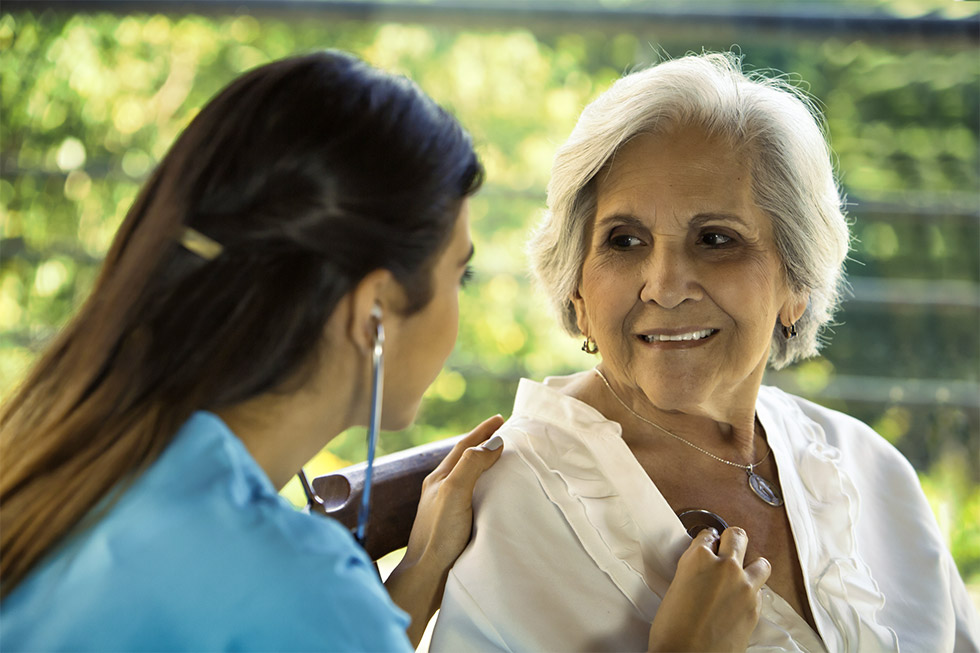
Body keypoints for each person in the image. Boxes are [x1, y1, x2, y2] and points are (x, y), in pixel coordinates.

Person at [0, 51, 767, 652]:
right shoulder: (295, 590)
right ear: (374, 311)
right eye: (456, 271)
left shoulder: (79, 462)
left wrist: (417, 577)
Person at [432, 52, 980, 652]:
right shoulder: (520, 503)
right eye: (625, 240)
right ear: (578, 289)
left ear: (795, 284)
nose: (664, 286)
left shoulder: (867, 468)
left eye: (716, 239)